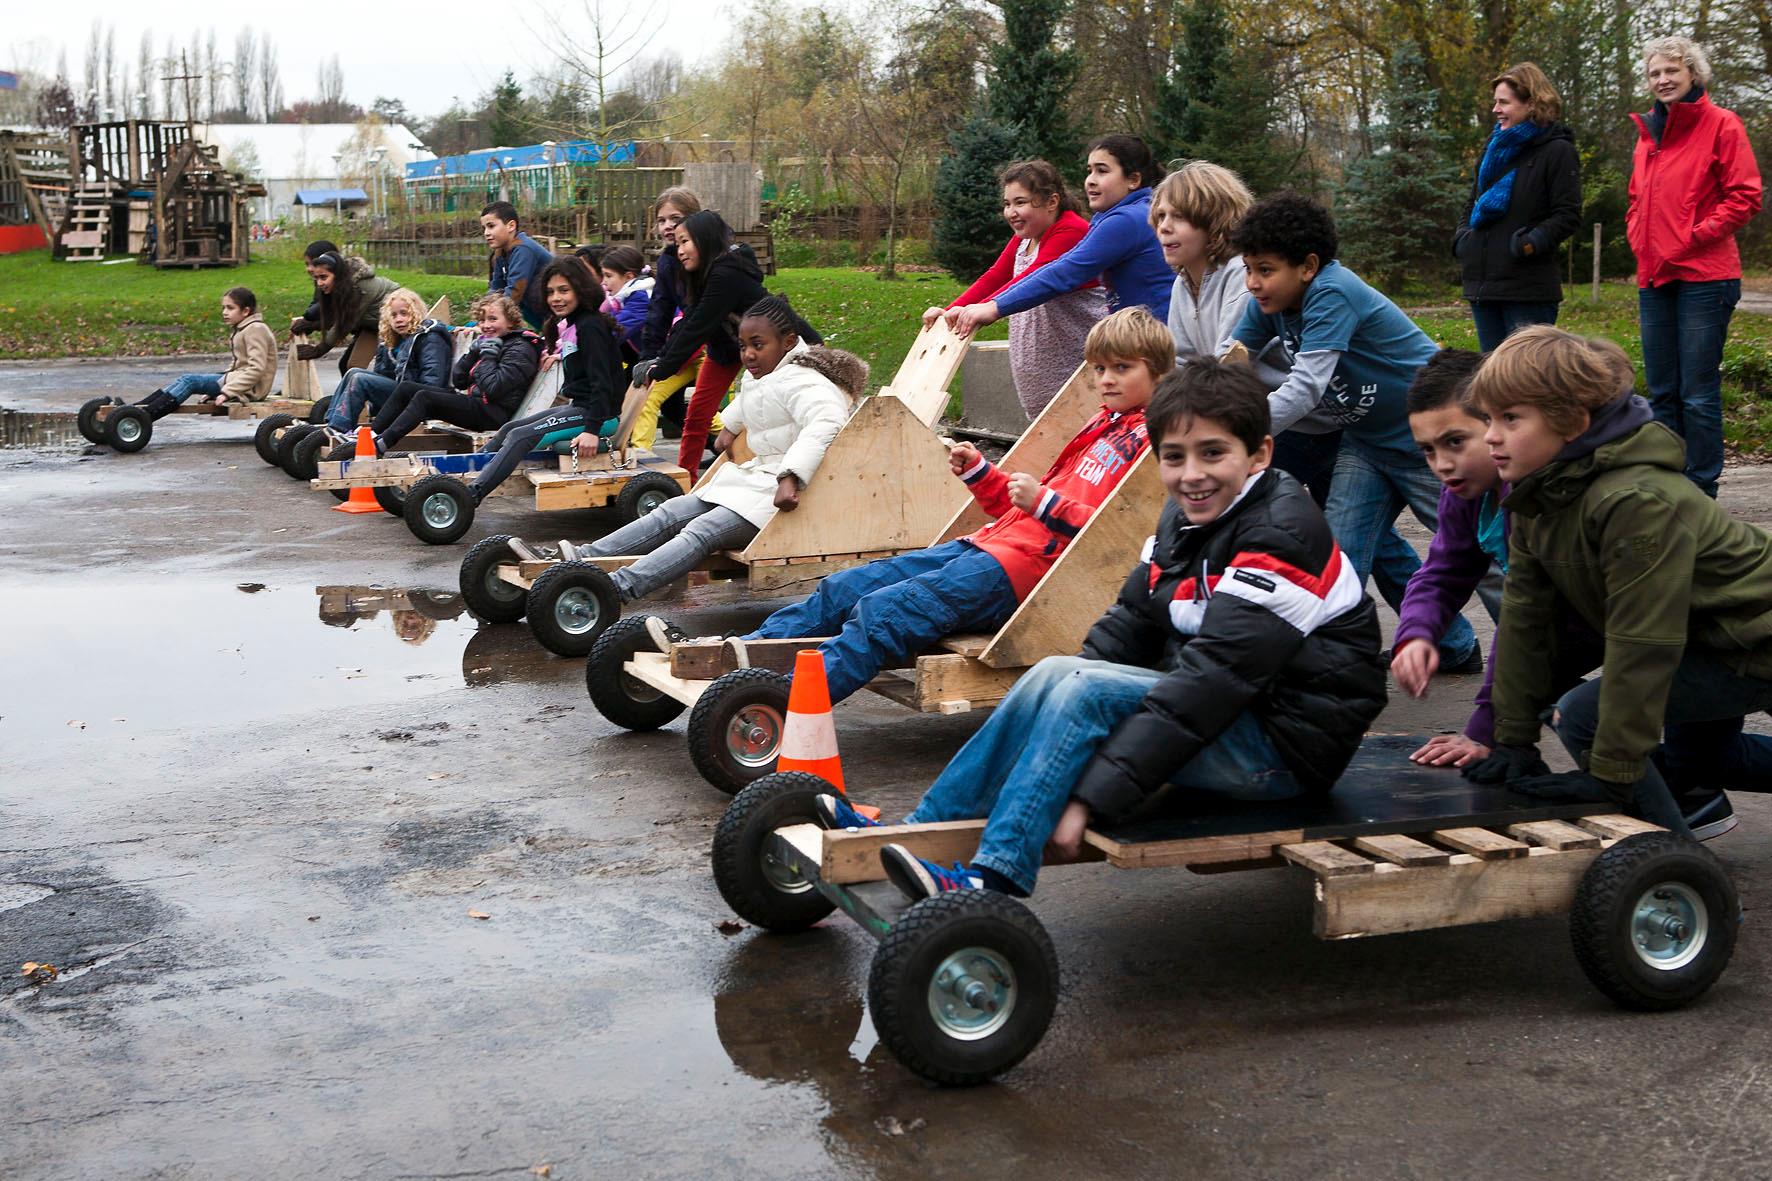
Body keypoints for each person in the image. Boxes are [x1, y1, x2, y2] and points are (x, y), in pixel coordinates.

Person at [817, 358, 1387, 902]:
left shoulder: (1280, 537)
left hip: (1283, 749)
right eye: (1174, 456)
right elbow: (1131, 622)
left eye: (1213, 453)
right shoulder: (1184, 517)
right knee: (1057, 674)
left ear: (1259, 453)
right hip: (1231, 716)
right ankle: (918, 832)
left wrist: (1090, 794)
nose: (1192, 475)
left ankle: (993, 878)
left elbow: (1214, 682)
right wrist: (1071, 691)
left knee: (1085, 692)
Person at [652, 307, 1170, 704]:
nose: (1106, 380)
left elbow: (1105, 536)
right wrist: (981, 474)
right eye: (1100, 368)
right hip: (990, 544)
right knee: (846, 586)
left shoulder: (1151, 446)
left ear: (1159, 372)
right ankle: (744, 660)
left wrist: (1044, 501)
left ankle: (779, 701)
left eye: (1121, 368)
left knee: (885, 612)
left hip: (1025, 572)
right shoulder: (1099, 426)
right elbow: (1012, 507)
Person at [1393, 347, 1746, 838]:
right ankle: (1685, 798)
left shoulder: (1627, 501)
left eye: (1506, 420)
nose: (1443, 464)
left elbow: (1628, 643)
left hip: (1739, 640)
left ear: (1569, 423)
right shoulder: (1526, 493)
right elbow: (1520, 617)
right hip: (1692, 639)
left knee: (1585, 718)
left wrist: (1605, 777)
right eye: (1428, 450)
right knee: (1704, 761)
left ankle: (1678, 879)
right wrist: (1507, 736)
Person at [1227, 191, 1481, 672]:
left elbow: (1305, 387)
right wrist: (1200, 403)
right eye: (1248, 269)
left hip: (1426, 445)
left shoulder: (1331, 290)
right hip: (1365, 447)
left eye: (1264, 269)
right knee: (1338, 558)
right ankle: (1339, 667)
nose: (1253, 283)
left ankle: (1538, 664)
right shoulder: (1270, 303)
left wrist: (1236, 434)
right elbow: (1231, 359)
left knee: (1480, 550)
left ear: (1307, 266)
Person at [567, 297, 865, 607]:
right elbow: (755, 399)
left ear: (788, 342)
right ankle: (583, 557)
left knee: (701, 531)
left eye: (757, 345)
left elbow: (826, 424)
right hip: (754, 480)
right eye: (743, 345)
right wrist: (730, 426)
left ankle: (617, 587)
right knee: (670, 512)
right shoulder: (768, 372)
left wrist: (790, 476)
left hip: (789, 493)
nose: (748, 354)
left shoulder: (808, 383)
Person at [1628, 35, 1764, 498]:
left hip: (1706, 277)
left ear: (1692, 74)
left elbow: (1745, 195)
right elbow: (1636, 200)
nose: (1662, 80)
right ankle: (1669, 486)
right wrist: (1637, 235)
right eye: (1655, 73)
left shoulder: (1723, 124)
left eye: (1672, 71)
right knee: (1661, 392)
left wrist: (1692, 235)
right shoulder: (1647, 136)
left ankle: (1700, 489)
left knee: (1697, 394)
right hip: (1654, 276)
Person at [643, 209, 820, 480]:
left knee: (783, 411)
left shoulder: (727, 272)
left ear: (705, 240)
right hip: (729, 348)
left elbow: (700, 324)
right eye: (677, 243)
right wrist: (658, 358)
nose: (679, 250)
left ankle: (789, 470)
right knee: (697, 414)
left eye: (685, 241)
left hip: (775, 349)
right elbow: (688, 320)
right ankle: (685, 481)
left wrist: (663, 367)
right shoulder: (700, 275)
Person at [923, 160, 1106, 417]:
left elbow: (1035, 277)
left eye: (1020, 202)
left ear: (1051, 202)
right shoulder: (1027, 237)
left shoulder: (1071, 230)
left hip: (1075, 365)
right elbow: (996, 276)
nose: (1011, 212)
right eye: (1007, 204)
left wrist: (986, 308)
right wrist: (952, 310)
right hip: (1043, 369)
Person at [950, 135, 1174, 333]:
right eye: (1090, 171)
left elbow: (1064, 272)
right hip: (1143, 336)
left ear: (1133, 180)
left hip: (1158, 340)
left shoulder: (1127, 220)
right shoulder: (1120, 216)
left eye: (1102, 171)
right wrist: (968, 308)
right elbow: (1052, 266)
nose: (1091, 180)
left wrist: (994, 307)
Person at [450, 257, 626, 507]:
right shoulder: (573, 324)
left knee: (521, 436)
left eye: (564, 290)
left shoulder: (590, 326)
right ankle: (462, 476)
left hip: (598, 416)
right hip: (581, 408)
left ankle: (471, 495)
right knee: (509, 429)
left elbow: (603, 382)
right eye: (551, 292)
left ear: (580, 289)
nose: (556, 298)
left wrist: (591, 430)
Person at [1454, 62, 1582, 351]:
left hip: (1528, 288)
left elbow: (1568, 214)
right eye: (1495, 102)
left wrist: (1530, 243)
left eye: (1504, 102)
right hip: (1484, 285)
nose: (1495, 110)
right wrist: (1463, 240)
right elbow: (1472, 200)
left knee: (1529, 382)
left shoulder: (1557, 151)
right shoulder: (1493, 148)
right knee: (1493, 381)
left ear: (1532, 104)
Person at [370, 293, 541, 453]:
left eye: (493, 319)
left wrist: (487, 358)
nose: (486, 325)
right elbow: (459, 381)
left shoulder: (521, 347)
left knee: (425, 399)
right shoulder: (494, 341)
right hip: (478, 403)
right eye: (482, 320)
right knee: (407, 388)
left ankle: (382, 444)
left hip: (494, 414)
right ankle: (370, 434)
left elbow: (494, 388)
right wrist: (473, 354)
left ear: (510, 321)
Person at [118, 287, 276, 423]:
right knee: (184, 379)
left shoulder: (256, 329)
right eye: (223, 308)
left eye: (230, 308)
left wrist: (228, 391)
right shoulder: (244, 328)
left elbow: (256, 369)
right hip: (236, 380)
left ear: (246, 311)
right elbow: (237, 364)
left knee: (189, 381)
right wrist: (213, 390)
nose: (224, 312)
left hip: (252, 388)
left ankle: (143, 416)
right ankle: (137, 408)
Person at [320, 287, 454, 444]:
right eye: (394, 315)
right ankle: (331, 424)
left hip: (422, 401)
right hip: (401, 397)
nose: (398, 319)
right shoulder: (393, 342)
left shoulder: (429, 338)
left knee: (359, 378)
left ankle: (339, 428)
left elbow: (432, 382)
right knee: (353, 373)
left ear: (416, 313)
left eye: (404, 313)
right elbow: (382, 378)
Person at [1153, 160, 1254, 359]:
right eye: (1161, 216)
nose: (1164, 227)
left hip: (1262, 389)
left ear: (1214, 222)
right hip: (1212, 386)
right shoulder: (1183, 282)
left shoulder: (1242, 275)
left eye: (1179, 216)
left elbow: (1230, 361)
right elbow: (1181, 361)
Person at [630, 187, 704, 450]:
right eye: (662, 221)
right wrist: (648, 356)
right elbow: (658, 312)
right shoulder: (668, 262)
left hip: (713, 346)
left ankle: (729, 447)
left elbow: (700, 314)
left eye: (676, 218)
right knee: (649, 397)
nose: (668, 226)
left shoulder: (707, 258)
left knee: (703, 411)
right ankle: (641, 464)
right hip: (686, 347)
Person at [294, 251, 398, 376]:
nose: (319, 283)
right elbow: (334, 316)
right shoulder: (337, 287)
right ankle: (353, 394)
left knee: (382, 368)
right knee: (347, 366)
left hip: (396, 321)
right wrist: (311, 325)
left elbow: (345, 323)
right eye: (316, 278)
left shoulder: (359, 288)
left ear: (337, 275)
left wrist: (320, 349)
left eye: (323, 277)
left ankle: (370, 391)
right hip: (371, 324)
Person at [482, 200, 556, 330]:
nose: (486, 233)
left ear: (511, 226)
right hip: (537, 311)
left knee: (511, 302)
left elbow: (514, 292)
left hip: (555, 313)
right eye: (484, 228)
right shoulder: (501, 252)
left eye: (491, 226)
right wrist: (483, 317)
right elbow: (496, 287)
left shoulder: (524, 249)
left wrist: (491, 321)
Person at [599, 244, 654, 358]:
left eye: (608, 276)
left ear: (628, 277)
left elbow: (616, 330)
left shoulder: (641, 299)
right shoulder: (627, 298)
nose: (603, 282)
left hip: (683, 362)